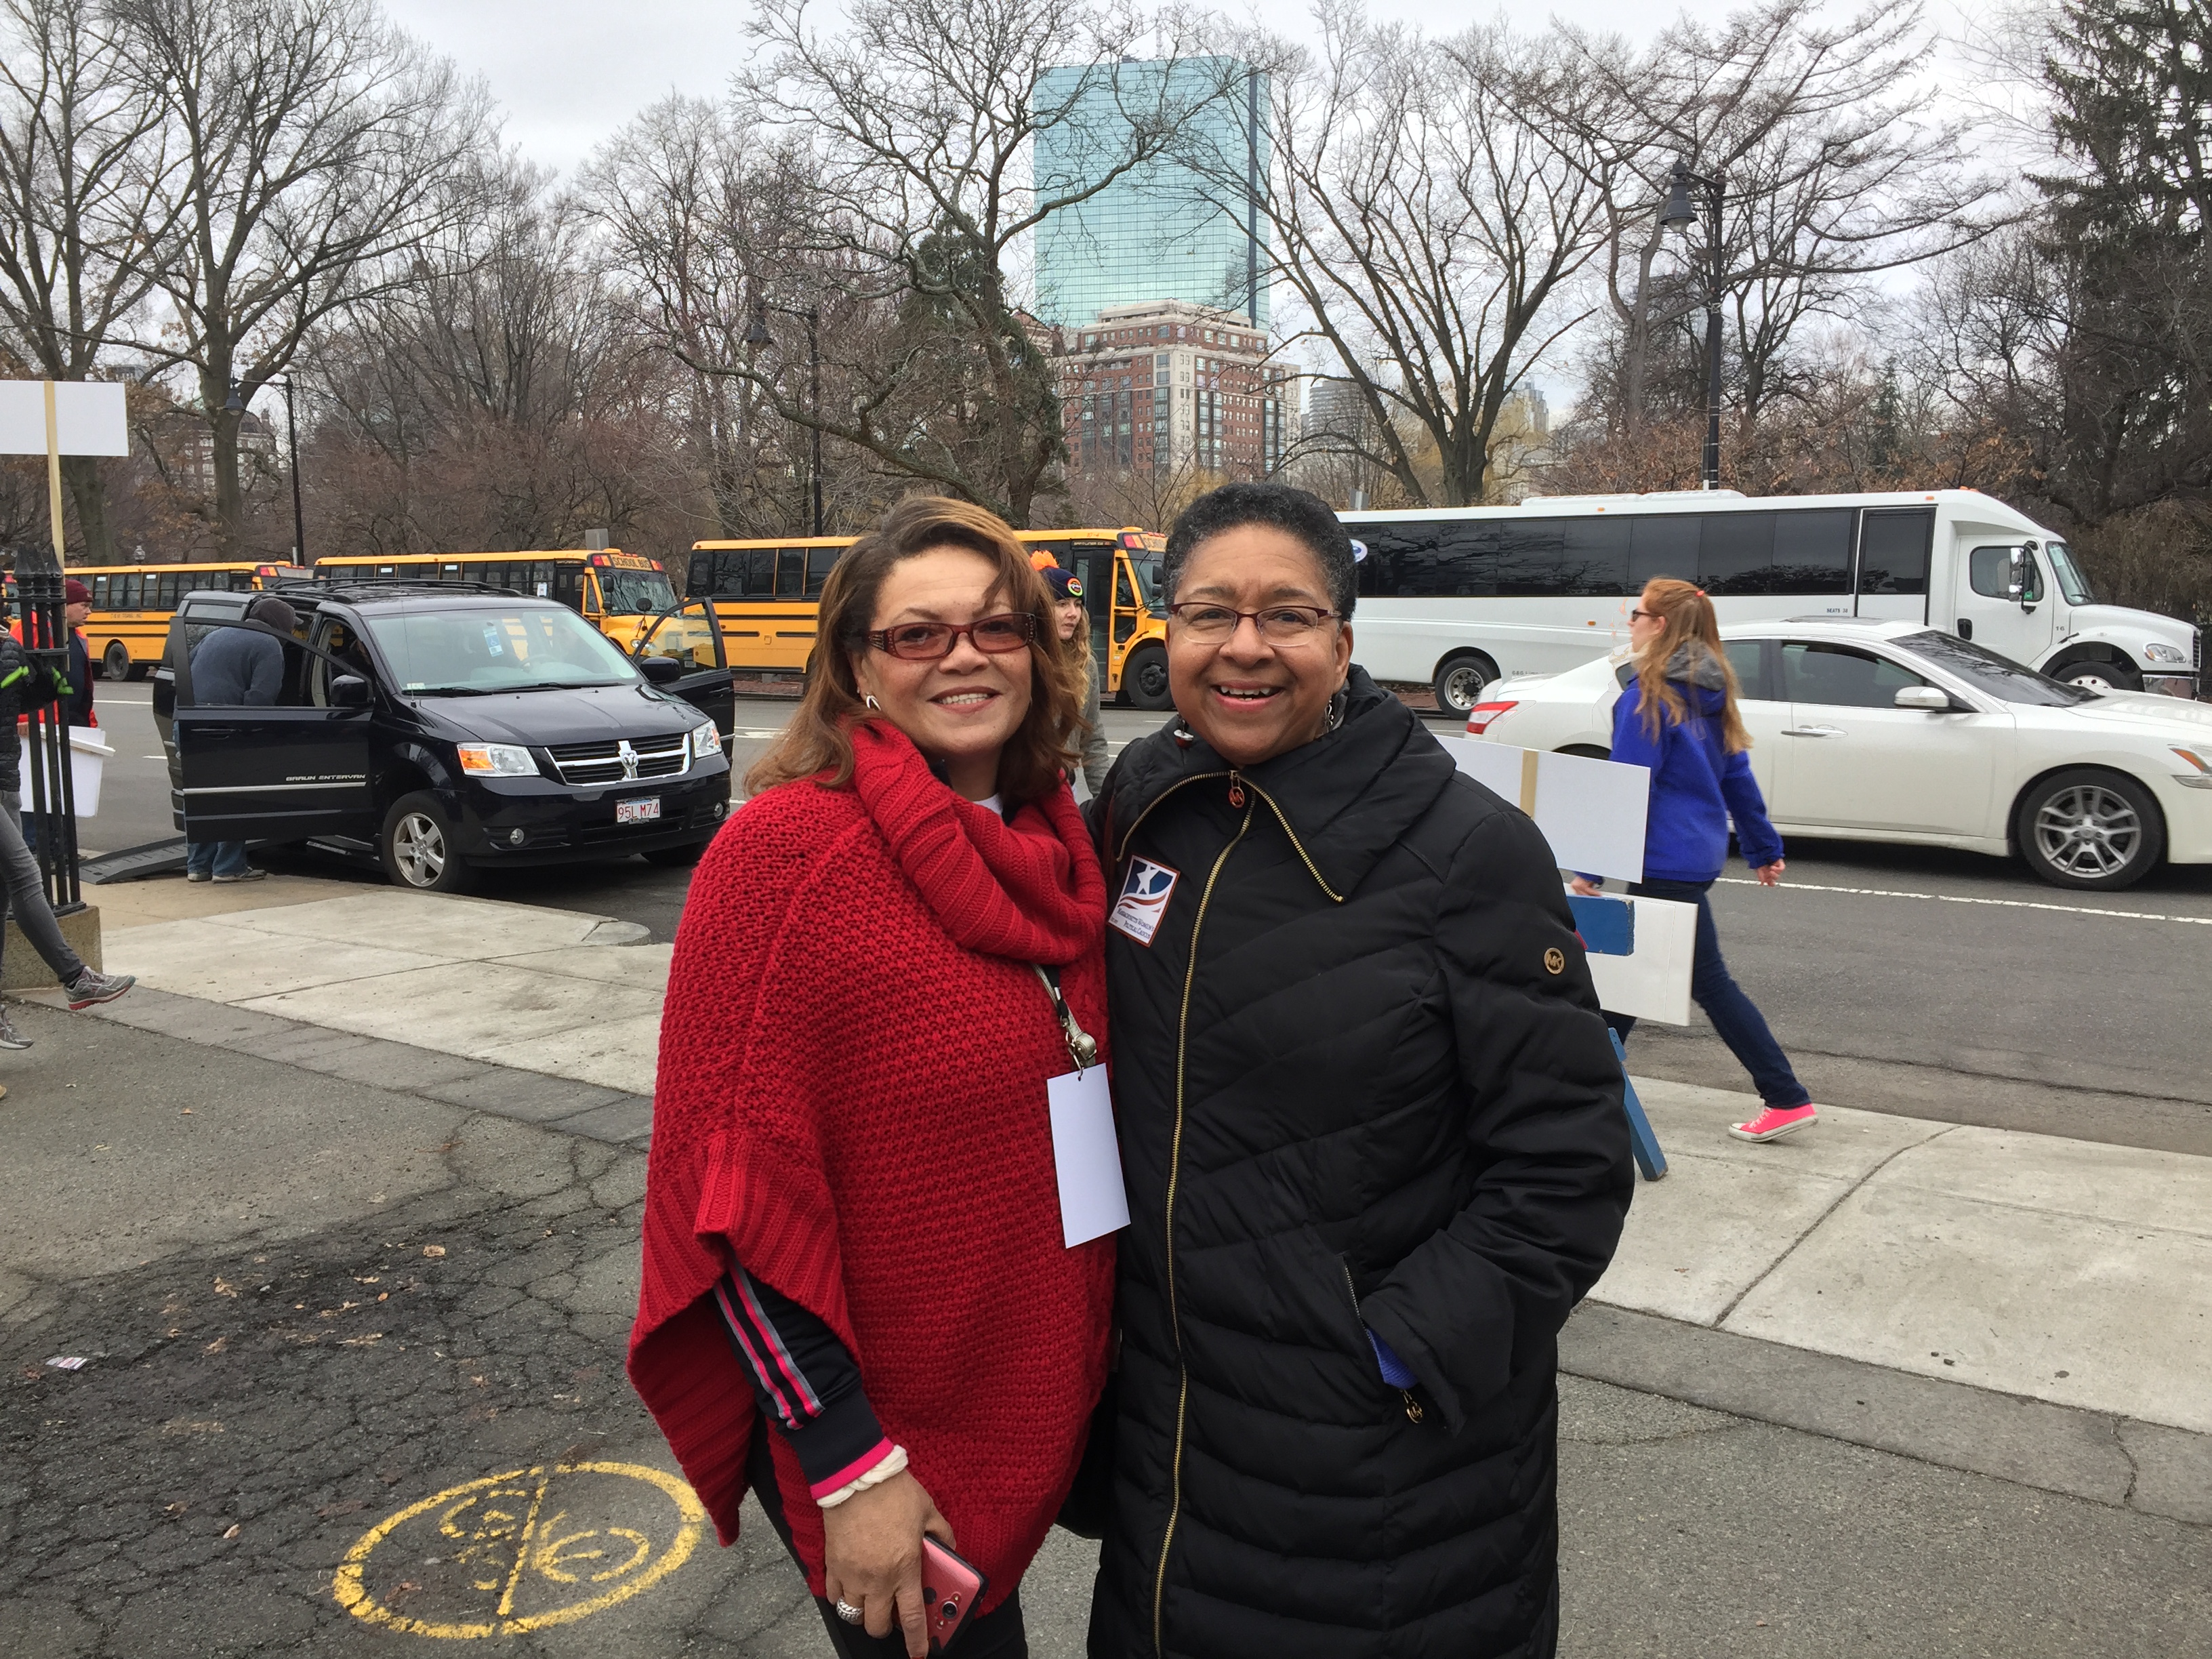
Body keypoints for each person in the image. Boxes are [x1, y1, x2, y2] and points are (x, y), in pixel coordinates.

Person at [1084, 482, 1633, 1659]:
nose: (1244, 645)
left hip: (1378, 1489)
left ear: (1341, 639)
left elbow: (1564, 1171)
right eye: (1207, 613)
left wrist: (1389, 1357)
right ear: (1164, 630)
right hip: (1166, 1451)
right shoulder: (1142, 804)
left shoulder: (1468, 853)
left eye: (1284, 614)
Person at [629, 496, 1113, 1659]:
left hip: (1024, 1381)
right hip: (874, 1430)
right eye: (918, 633)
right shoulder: (784, 857)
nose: (963, 654)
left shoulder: (1062, 842)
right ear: (855, 665)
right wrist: (849, 1461)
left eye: (997, 626)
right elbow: (730, 1199)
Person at [1570, 577, 1817, 1144]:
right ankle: (1588, 1088)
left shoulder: (1647, 697)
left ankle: (1784, 1095)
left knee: (1704, 981)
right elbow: (1738, 778)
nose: (1629, 622)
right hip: (1694, 855)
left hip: (1658, 857)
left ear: (1658, 626)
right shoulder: (1711, 693)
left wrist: (1590, 865)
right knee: (1626, 980)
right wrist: (1763, 849)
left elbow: (1628, 788)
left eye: (1637, 614)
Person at [0, 623, 132, 1044]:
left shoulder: (8, 651)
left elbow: (48, 694)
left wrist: (34, 664)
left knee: (7, 890)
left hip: (6, 778)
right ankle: (75, 977)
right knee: (24, 875)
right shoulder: (6, 651)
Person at [184, 595, 296, 884]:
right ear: (279, 625)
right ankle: (229, 867)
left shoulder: (215, 635)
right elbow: (260, 697)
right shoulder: (269, 644)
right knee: (236, 795)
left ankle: (198, 867)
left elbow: (185, 672)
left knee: (203, 798)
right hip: (228, 726)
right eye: (291, 627)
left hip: (189, 721)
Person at [1042, 565, 1109, 796]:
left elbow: (1093, 739)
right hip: (1023, 791)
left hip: (1065, 790)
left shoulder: (1085, 665)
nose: (1073, 613)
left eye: (1078, 605)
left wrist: (1106, 803)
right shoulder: (1021, 660)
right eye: (1062, 604)